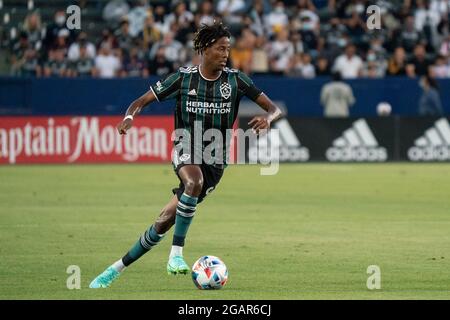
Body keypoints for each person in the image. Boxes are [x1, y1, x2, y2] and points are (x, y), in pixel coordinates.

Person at [89, 23, 283, 288]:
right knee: (193, 181)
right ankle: (176, 255)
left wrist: (269, 118)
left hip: (216, 161)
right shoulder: (183, 78)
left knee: (164, 220)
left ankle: (114, 269)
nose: (226, 54)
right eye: (220, 48)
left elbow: (273, 108)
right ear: (204, 49)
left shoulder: (236, 80)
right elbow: (140, 101)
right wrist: (129, 117)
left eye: (228, 49)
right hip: (185, 146)